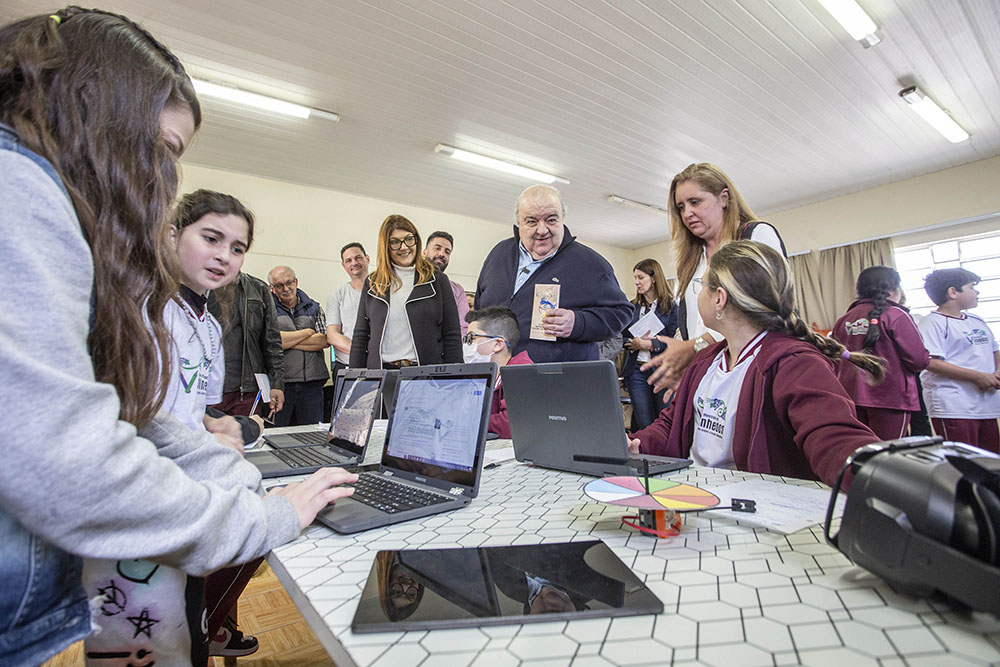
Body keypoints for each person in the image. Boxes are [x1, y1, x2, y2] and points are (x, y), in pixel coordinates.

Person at [0, 9, 354, 665]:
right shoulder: (20, 187)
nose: (163, 180)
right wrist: (260, 512)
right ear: (97, 110)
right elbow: (70, 461)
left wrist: (247, 486)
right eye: (162, 150)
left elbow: (148, 423)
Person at [82, 188, 260, 661]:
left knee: (187, 633)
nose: (224, 256)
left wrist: (220, 429)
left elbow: (197, 407)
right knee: (144, 642)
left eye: (237, 248)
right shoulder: (144, 307)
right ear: (174, 233)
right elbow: (139, 414)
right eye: (212, 238)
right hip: (137, 499)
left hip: (183, 491)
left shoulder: (205, 322)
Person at [628, 241, 881, 487]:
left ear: (719, 298)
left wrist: (879, 478)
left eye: (702, 285)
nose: (699, 294)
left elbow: (835, 439)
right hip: (695, 496)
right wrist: (637, 444)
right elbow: (672, 425)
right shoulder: (706, 359)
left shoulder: (795, 364)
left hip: (747, 508)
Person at [645, 163, 787, 392]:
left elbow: (768, 310)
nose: (686, 213)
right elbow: (691, 323)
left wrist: (695, 346)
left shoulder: (755, 236)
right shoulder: (691, 261)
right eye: (681, 207)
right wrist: (683, 364)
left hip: (756, 372)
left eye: (695, 202)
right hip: (708, 375)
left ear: (724, 198)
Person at [475, 185, 633, 363]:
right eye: (532, 221)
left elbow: (622, 312)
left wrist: (578, 323)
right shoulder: (499, 253)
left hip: (555, 382)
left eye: (551, 220)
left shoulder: (591, 264)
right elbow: (481, 307)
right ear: (519, 223)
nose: (542, 230)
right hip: (495, 374)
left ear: (562, 219)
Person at [350, 215, 463, 368]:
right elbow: (361, 335)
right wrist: (354, 379)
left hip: (424, 374)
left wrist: (454, 379)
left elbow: (451, 334)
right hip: (382, 373)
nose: (404, 247)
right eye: (395, 242)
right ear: (385, 247)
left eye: (409, 239)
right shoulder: (373, 283)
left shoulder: (437, 280)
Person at [832, 266, 930, 440]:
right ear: (892, 290)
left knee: (862, 449)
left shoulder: (844, 319)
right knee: (889, 454)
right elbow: (918, 360)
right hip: (891, 398)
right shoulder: (896, 315)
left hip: (851, 395)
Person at [917, 268, 1000, 452]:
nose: (977, 292)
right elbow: (931, 362)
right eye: (971, 287)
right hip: (955, 406)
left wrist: (997, 372)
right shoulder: (932, 322)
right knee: (964, 465)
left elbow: (994, 350)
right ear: (953, 292)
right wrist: (977, 376)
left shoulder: (977, 320)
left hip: (986, 406)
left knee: (991, 464)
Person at [268, 265, 330, 425]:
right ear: (272, 288)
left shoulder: (314, 307)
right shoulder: (266, 309)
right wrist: (306, 332)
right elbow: (271, 342)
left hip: (312, 384)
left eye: (289, 282)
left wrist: (286, 341)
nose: (286, 288)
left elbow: (323, 341)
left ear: (296, 282)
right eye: (279, 285)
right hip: (280, 385)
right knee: (277, 435)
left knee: (313, 435)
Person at [622, 259, 678, 430]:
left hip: (662, 370)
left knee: (664, 421)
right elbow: (622, 339)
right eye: (635, 278)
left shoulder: (671, 307)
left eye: (641, 277)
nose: (637, 282)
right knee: (644, 423)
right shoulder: (632, 307)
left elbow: (676, 341)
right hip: (637, 372)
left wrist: (651, 344)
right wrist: (633, 343)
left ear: (654, 278)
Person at [464, 307, 533, 438]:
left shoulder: (521, 371)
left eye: (471, 338)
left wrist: (466, 422)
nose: (466, 345)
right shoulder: (481, 374)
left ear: (497, 344)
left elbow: (510, 424)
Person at [326, 242, 370, 380]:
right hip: (347, 367)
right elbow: (332, 335)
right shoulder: (337, 295)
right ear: (343, 265)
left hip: (381, 366)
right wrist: (363, 352)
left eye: (358, 258)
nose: (354, 263)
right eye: (348, 260)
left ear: (367, 258)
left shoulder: (385, 291)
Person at [424, 230, 471, 335]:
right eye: (437, 248)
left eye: (447, 251)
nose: (442, 254)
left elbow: (463, 327)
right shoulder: (408, 282)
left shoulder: (457, 290)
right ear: (425, 252)